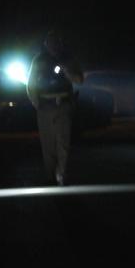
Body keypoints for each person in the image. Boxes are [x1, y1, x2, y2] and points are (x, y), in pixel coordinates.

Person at [27, 30, 84, 186]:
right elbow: (31, 83)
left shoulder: (68, 58)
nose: (53, 46)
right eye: (50, 43)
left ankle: (62, 175)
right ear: (46, 44)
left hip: (63, 104)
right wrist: (36, 102)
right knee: (48, 143)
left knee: (63, 142)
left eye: (56, 42)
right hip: (45, 105)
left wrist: (67, 71)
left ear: (60, 44)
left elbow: (80, 79)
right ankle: (50, 175)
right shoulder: (39, 59)